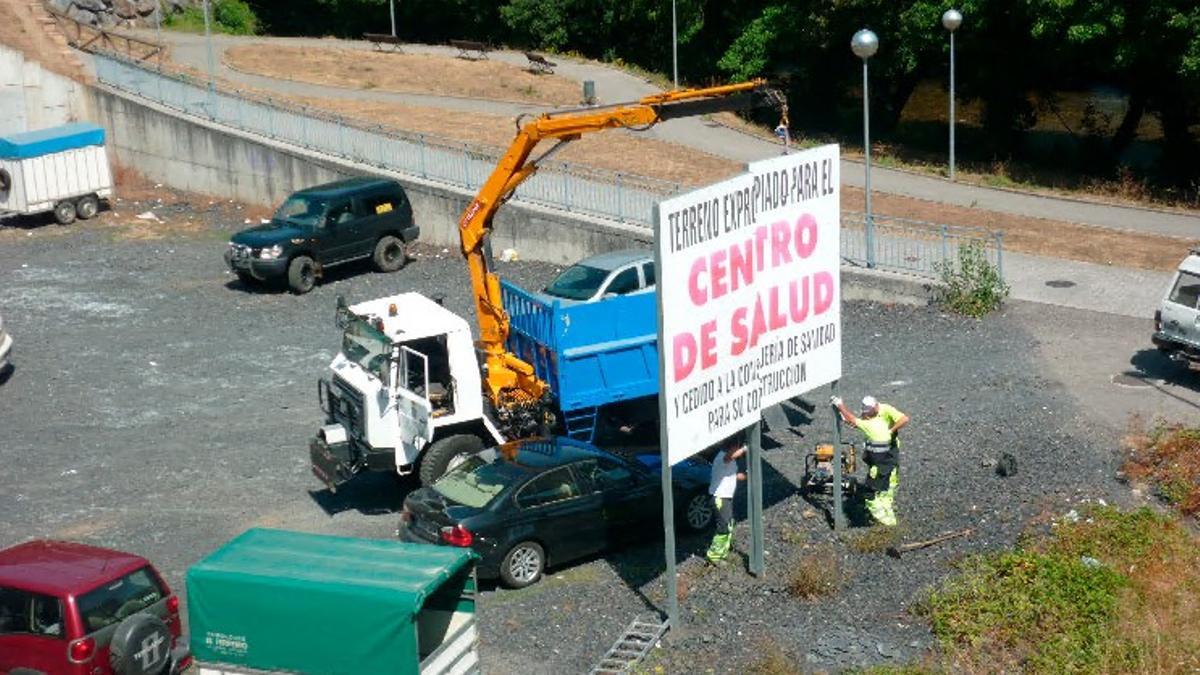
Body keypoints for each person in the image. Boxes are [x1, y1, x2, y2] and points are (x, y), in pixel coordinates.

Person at [831, 395, 910, 527]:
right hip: (889, 458)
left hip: (878, 463)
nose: (864, 415)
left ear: (873, 410)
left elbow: (853, 420)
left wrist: (840, 405)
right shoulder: (880, 424)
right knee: (888, 487)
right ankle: (890, 517)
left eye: (865, 413)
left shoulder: (871, 424)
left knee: (870, 494)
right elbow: (855, 421)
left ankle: (885, 522)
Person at [706, 435, 748, 564]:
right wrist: (746, 448)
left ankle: (723, 551)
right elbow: (730, 457)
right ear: (733, 447)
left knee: (729, 524)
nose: (739, 449)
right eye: (738, 446)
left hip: (726, 497)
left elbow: (729, 475)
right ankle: (714, 556)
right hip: (720, 497)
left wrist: (744, 476)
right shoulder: (722, 457)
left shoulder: (728, 460)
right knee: (723, 527)